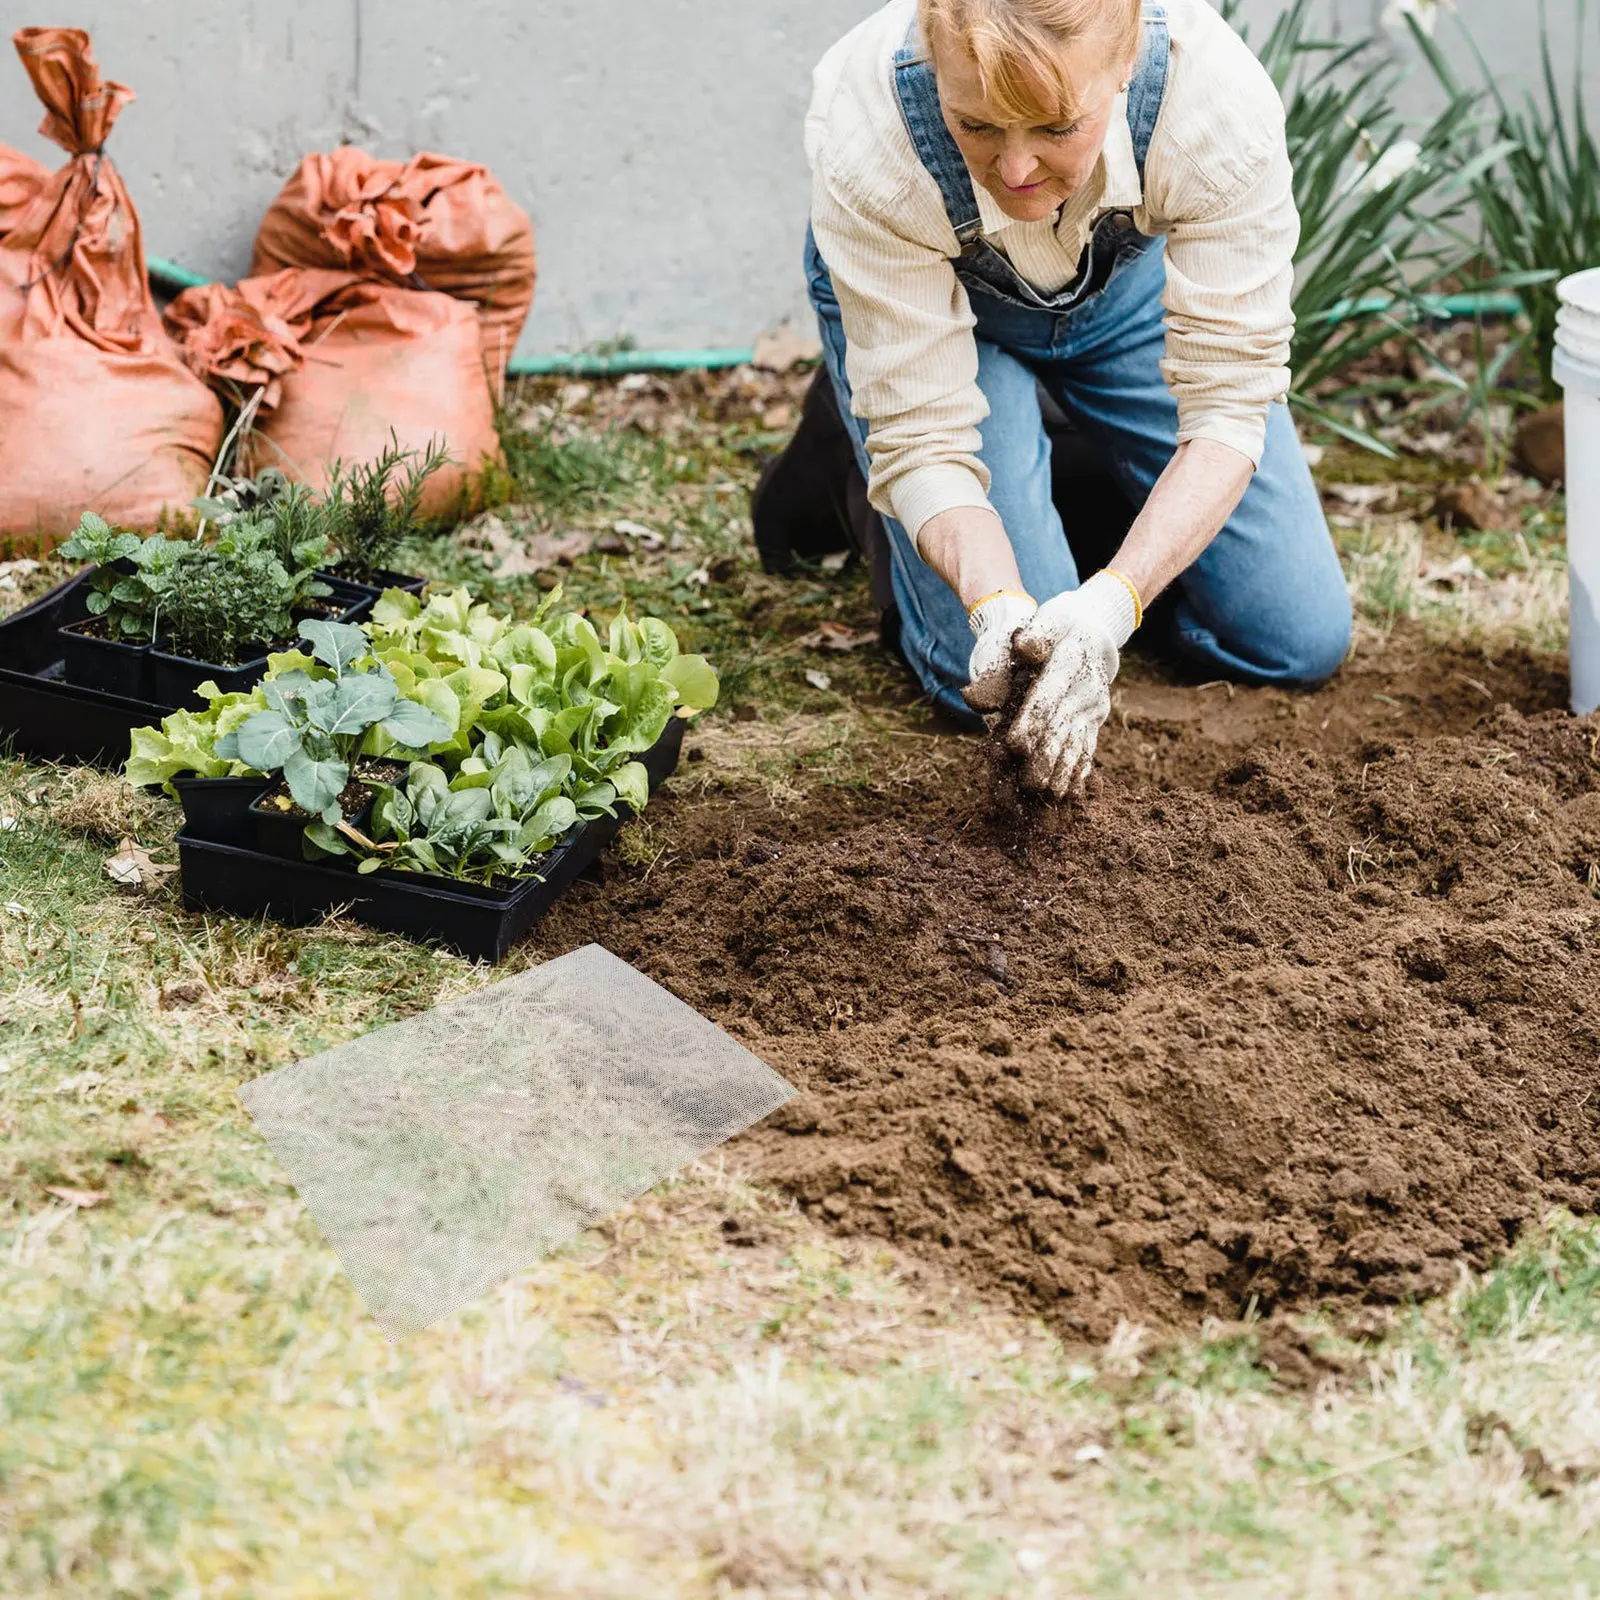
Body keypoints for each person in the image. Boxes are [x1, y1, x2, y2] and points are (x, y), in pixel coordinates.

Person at [801, 0, 1352, 798]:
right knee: (997, 680)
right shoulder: (870, 137)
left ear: (1123, 63)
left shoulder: (1212, 104)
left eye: (1057, 127)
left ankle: (1047, 458)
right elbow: (924, 445)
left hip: (1121, 301)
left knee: (1299, 639)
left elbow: (1229, 409)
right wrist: (991, 602)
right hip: (942, 305)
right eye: (978, 126)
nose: (1017, 169)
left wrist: (1114, 602)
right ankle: (871, 449)